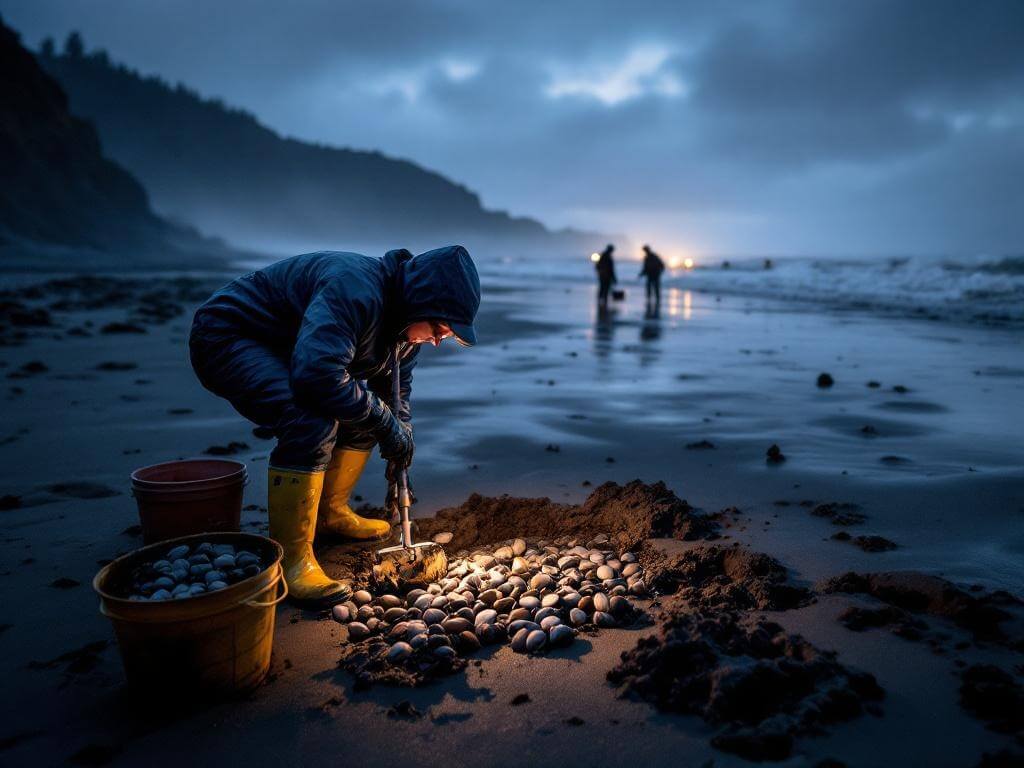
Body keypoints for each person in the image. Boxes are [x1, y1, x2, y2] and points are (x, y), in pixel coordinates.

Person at [188, 246, 480, 608]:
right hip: (230, 336)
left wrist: (400, 433)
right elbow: (316, 375)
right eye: (439, 328)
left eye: (447, 335)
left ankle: (331, 512)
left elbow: (395, 393)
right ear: (419, 301)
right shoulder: (354, 289)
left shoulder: (408, 333)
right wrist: (384, 421)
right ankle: (291, 561)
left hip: (297, 348)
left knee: (366, 412)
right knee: (311, 415)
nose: (437, 340)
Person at [638, 244, 665, 311]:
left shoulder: (653, 256)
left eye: (645, 250)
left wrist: (659, 272)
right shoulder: (647, 257)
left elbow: (661, 265)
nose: (645, 251)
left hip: (654, 275)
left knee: (655, 289)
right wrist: (641, 274)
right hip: (651, 275)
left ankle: (656, 302)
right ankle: (651, 303)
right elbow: (646, 268)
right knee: (651, 289)